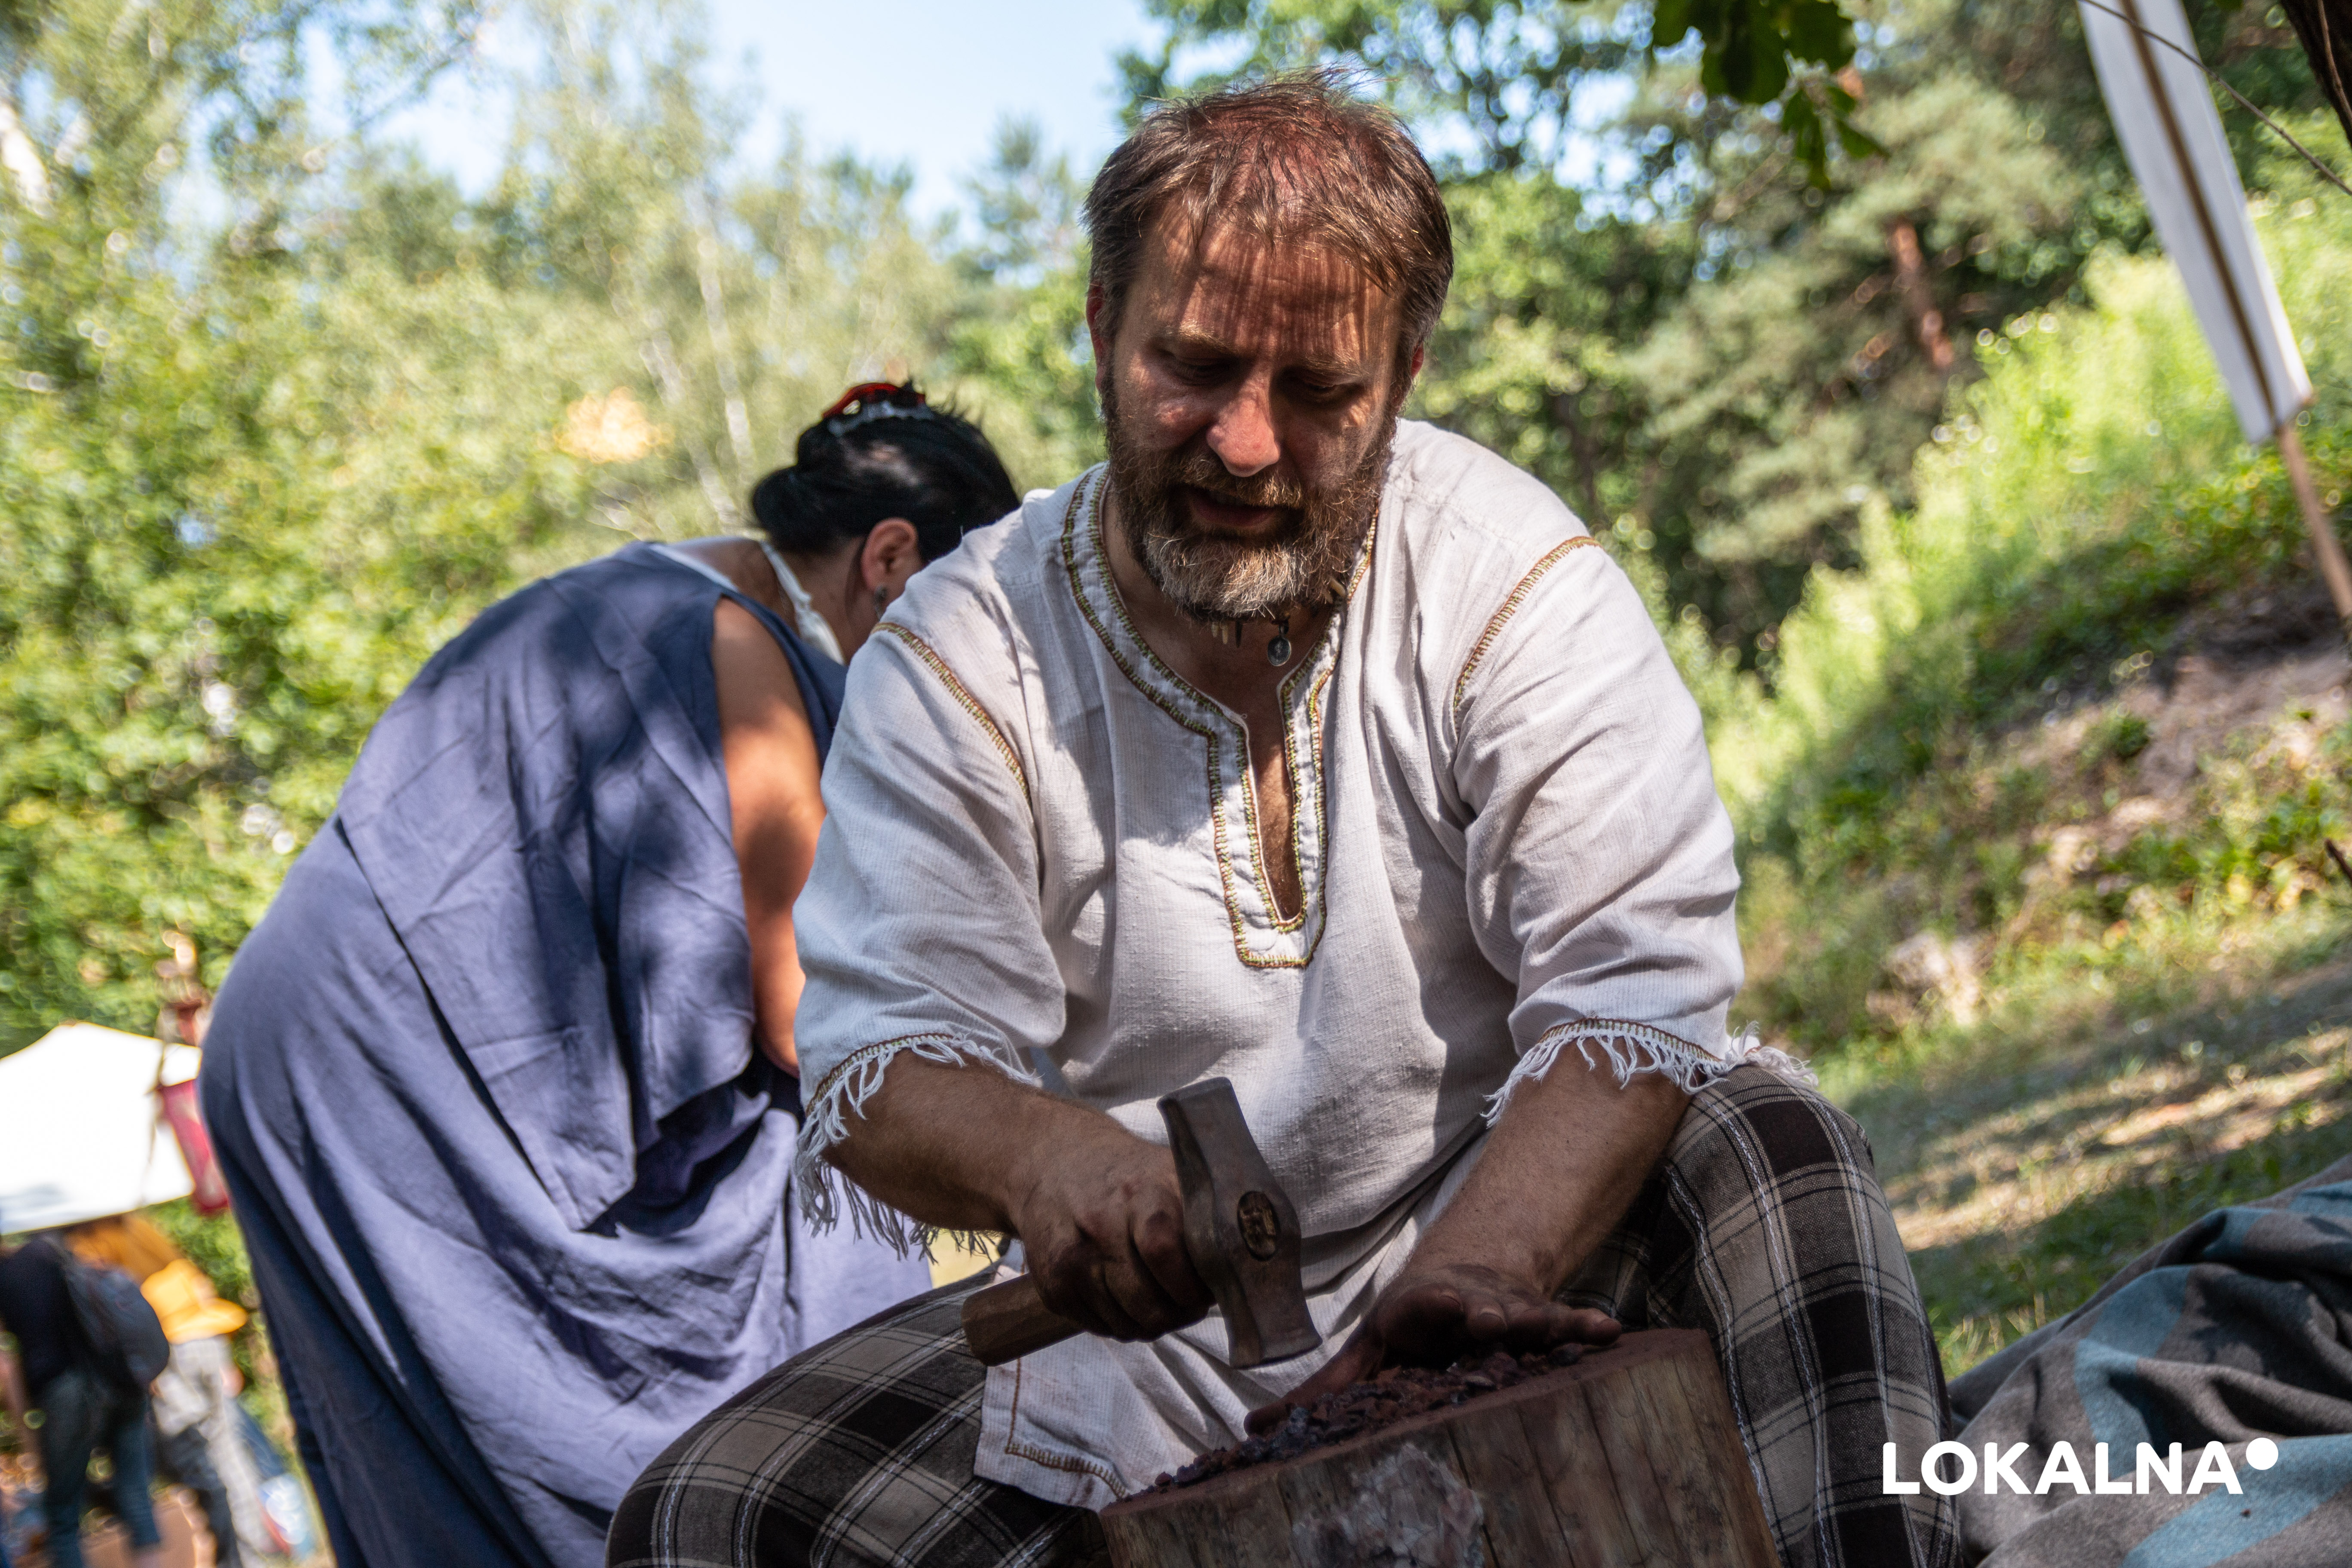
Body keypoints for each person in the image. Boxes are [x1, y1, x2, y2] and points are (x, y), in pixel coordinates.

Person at [609, 76, 1957, 1568]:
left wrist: (1477, 1275)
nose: (1246, 444)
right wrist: (1052, 1163)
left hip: (1525, 1223)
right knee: (713, 1513)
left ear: (1406, 370)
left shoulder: (1510, 577)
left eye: (1319, 390)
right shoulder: (962, 653)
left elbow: (1634, 980)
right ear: (1101, 326)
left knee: (1774, 1144)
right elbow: (881, 1049)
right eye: (1193, 367)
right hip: (1151, 1331)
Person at [201, 384, 1017, 1568]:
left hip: (302, 1041)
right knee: (822, 1173)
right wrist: (1029, 1152)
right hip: (377, 1056)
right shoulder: (740, 642)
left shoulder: (653, 589)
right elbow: (814, 1017)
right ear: (889, 560)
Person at [65, 1215, 255, 1568]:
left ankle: (236, 1557)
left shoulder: (88, 1236)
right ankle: (250, 1554)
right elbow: (192, 1276)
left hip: (172, 1349)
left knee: (194, 1458)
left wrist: (147, 1365)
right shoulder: (137, 1222)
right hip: (206, 1336)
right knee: (228, 1453)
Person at [0, 1238, 163, 1568]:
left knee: (62, 1514)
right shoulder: (49, 1251)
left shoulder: (6, 1279)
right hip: (117, 1377)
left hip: (66, 1393)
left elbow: (7, 1368)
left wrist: (27, 1433)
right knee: (135, 1490)